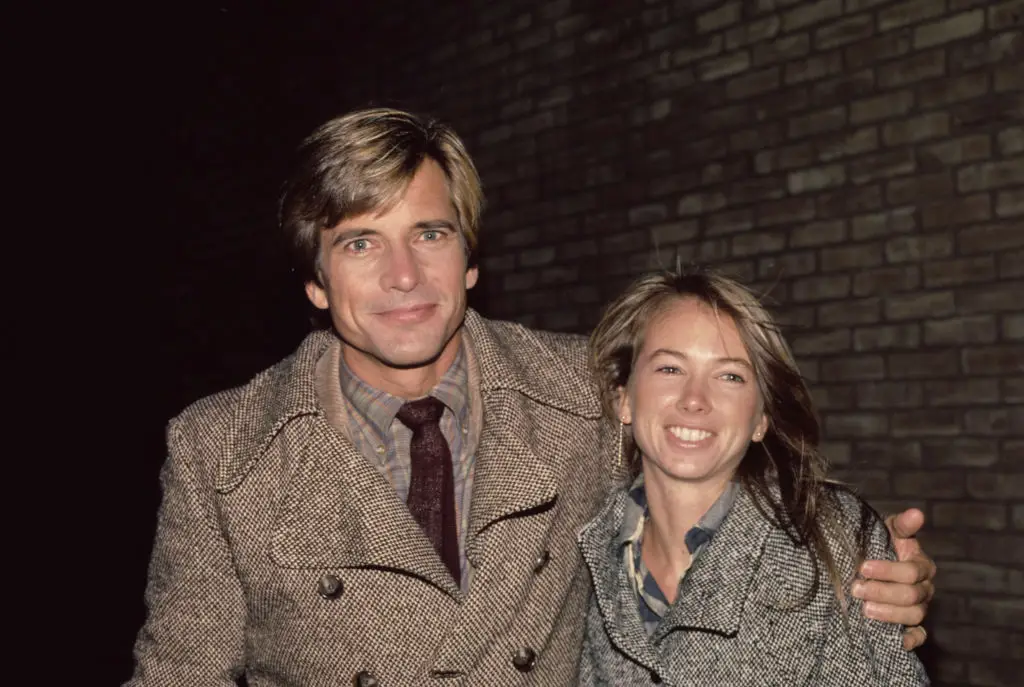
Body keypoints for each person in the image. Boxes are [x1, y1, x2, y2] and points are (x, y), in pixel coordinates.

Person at [126, 108, 935, 686]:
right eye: (361, 242)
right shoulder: (222, 449)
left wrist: (861, 562)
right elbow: (179, 674)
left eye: (430, 234)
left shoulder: (578, 391)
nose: (404, 276)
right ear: (314, 280)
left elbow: (717, 465)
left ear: (471, 260)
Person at [578, 268, 931, 685]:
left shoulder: (828, 541)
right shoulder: (581, 551)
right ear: (624, 401)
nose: (695, 400)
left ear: (760, 420)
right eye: (670, 369)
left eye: (730, 376)